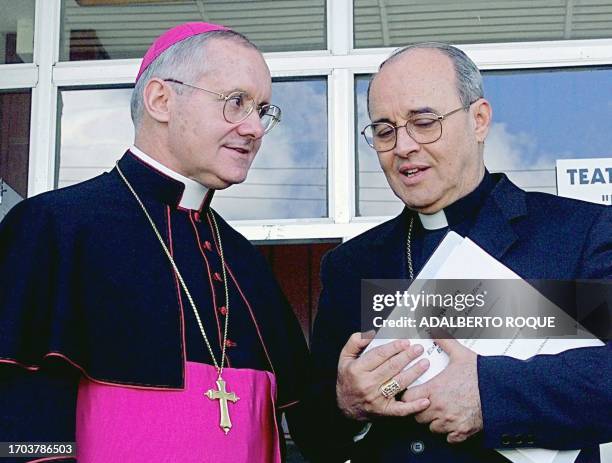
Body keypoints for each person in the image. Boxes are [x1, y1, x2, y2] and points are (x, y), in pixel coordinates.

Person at [0, 22, 314, 462]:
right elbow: (17, 408)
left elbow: (305, 420)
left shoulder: (244, 260)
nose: (255, 128)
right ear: (161, 100)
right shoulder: (55, 226)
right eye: (236, 102)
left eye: (262, 109)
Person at [310, 42, 612, 462]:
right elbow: (314, 432)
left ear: (479, 120)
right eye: (384, 130)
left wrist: (488, 393)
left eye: (424, 122)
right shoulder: (352, 265)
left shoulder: (578, 233)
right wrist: (347, 405)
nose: (403, 147)